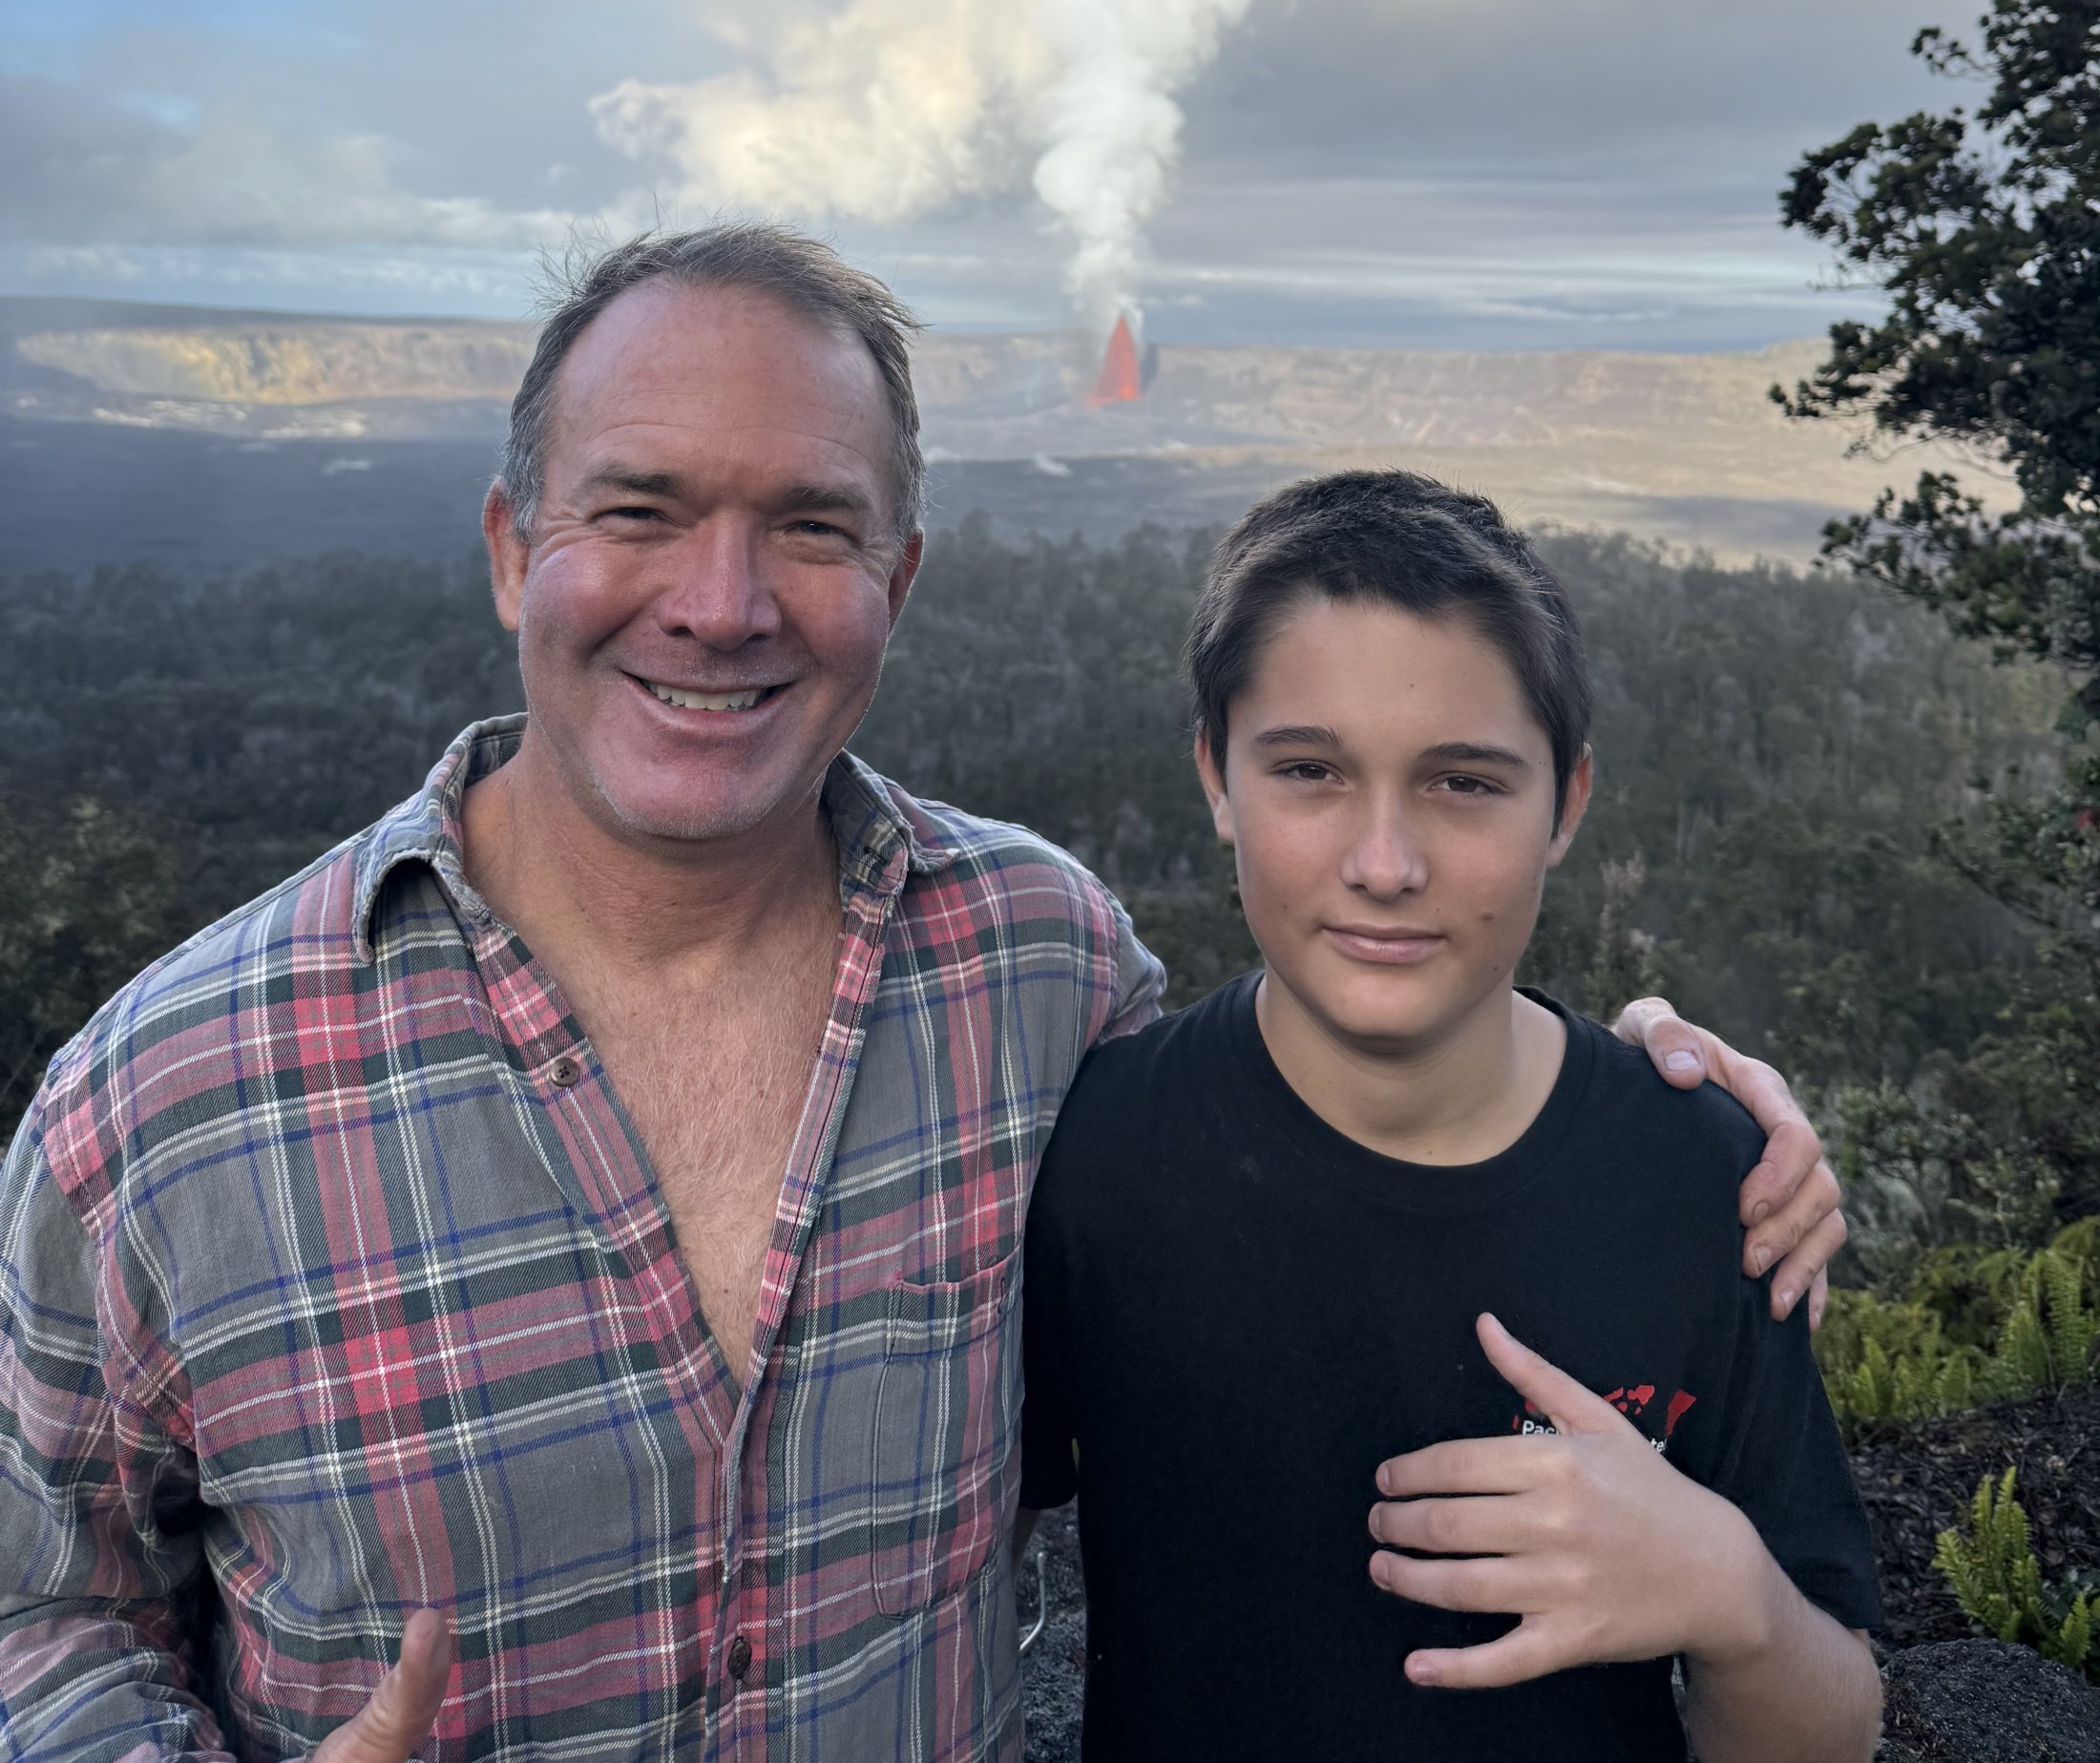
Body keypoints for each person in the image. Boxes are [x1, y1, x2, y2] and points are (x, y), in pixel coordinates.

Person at [0, 228, 1845, 1763]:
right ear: (508, 549)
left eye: (811, 526)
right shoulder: (161, 1101)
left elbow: (1344, 1077)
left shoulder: (1038, 975)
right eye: (639, 506)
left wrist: (1667, 1093)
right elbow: (41, 1606)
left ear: (899, 575)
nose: (721, 603)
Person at [1018, 469, 1882, 1761]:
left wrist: (1732, 1593)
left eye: (1464, 781)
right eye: (1308, 768)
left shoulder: (1705, 1179)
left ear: (1567, 803)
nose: (1384, 861)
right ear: (1215, 776)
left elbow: (1828, 1726)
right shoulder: (1093, 1161)